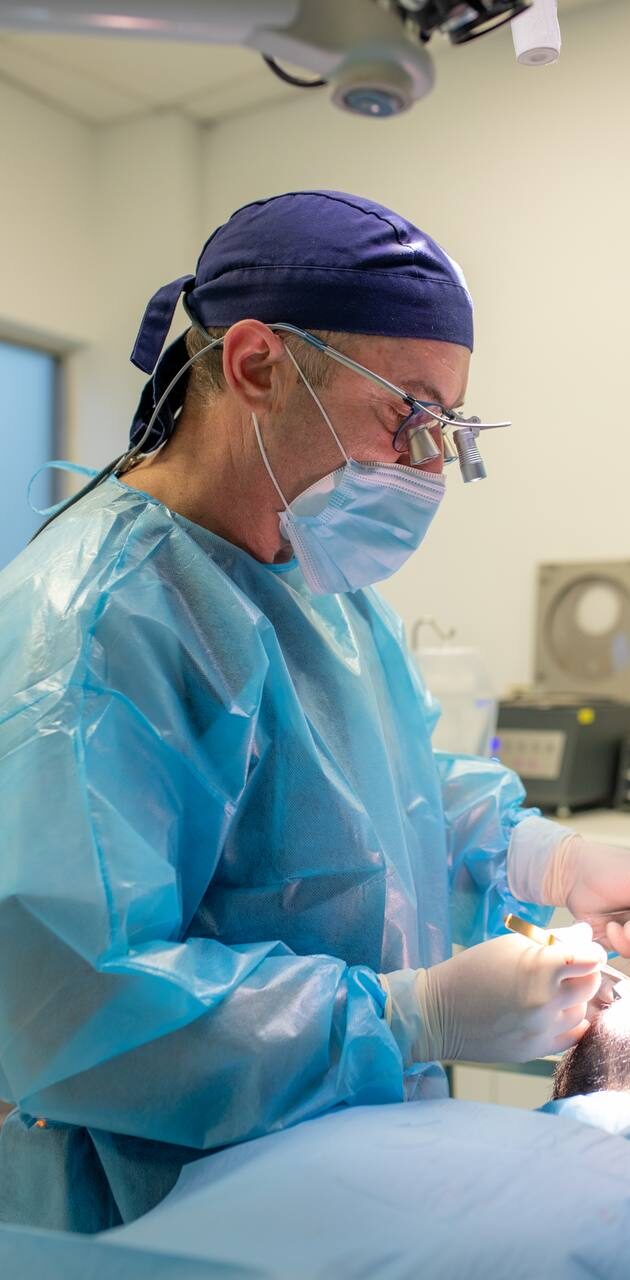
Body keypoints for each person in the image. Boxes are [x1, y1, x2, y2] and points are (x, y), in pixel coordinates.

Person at [2, 189, 630, 1233]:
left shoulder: (311, 583)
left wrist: (540, 856)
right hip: (151, 1209)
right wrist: (407, 1012)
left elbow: (386, 793)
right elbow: (77, 1000)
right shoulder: (88, 633)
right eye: (409, 415)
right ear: (255, 364)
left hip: (342, 1165)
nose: (429, 467)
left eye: (447, 427)